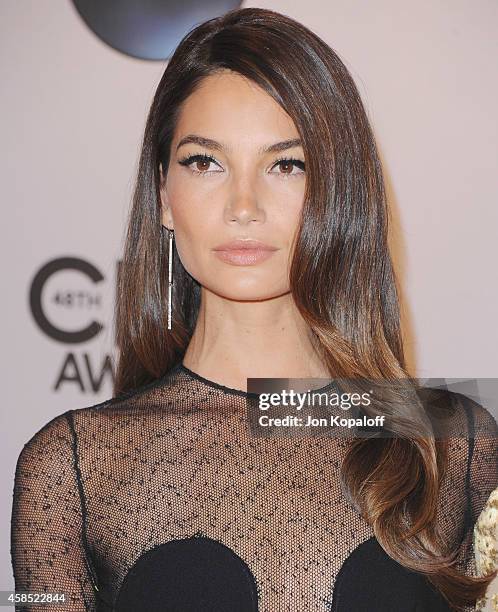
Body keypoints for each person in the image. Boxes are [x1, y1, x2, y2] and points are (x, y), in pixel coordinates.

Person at [10, 7, 498, 612]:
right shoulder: (70, 467)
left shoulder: (449, 440)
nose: (244, 205)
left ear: (337, 192)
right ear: (164, 196)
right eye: (205, 162)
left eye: (286, 165)